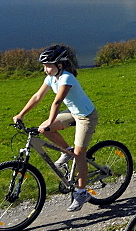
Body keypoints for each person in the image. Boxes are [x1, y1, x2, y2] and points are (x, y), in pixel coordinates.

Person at [13, 44, 98, 212]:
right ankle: (67, 150)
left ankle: (81, 192)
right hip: (73, 112)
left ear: (60, 65)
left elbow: (57, 102)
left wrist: (51, 121)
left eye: (48, 66)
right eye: (44, 66)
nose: (45, 69)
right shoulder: (51, 78)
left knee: (80, 155)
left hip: (86, 116)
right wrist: (21, 114)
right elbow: (37, 96)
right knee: (43, 129)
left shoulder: (67, 78)